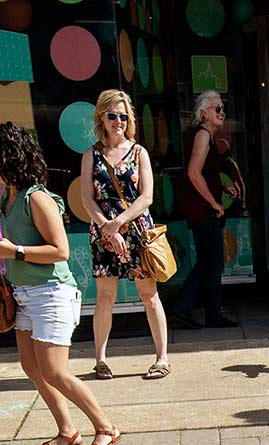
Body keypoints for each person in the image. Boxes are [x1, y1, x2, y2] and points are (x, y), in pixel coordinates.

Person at [0, 122, 121, 445]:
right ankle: (67, 431)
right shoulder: (8, 195)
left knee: (55, 371)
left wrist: (13, 251)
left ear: (8, 156)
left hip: (51, 293)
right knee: (32, 368)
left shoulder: (37, 197)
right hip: (24, 294)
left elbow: (59, 250)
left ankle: (106, 427)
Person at [79, 90, 172, 380]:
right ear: (101, 117)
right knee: (105, 296)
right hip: (105, 233)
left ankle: (162, 358)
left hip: (136, 231)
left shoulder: (139, 152)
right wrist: (107, 228)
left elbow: (146, 197)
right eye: (112, 115)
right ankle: (100, 359)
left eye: (123, 116)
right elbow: (87, 199)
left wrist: (117, 223)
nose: (118, 121)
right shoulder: (91, 155)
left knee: (149, 294)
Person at [168, 91, 242, 331]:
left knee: (210, 261)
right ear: (203, 113)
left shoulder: (206, 136)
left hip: (201, 209)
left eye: (222, 108)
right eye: (217, 109)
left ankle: (205, 310)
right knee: (212, 261)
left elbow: (206, 173)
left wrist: (223, 186)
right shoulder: (202, 135)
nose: (222, 113)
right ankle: (189, 307)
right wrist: (214, 202)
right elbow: (193, 173)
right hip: (201, 210)